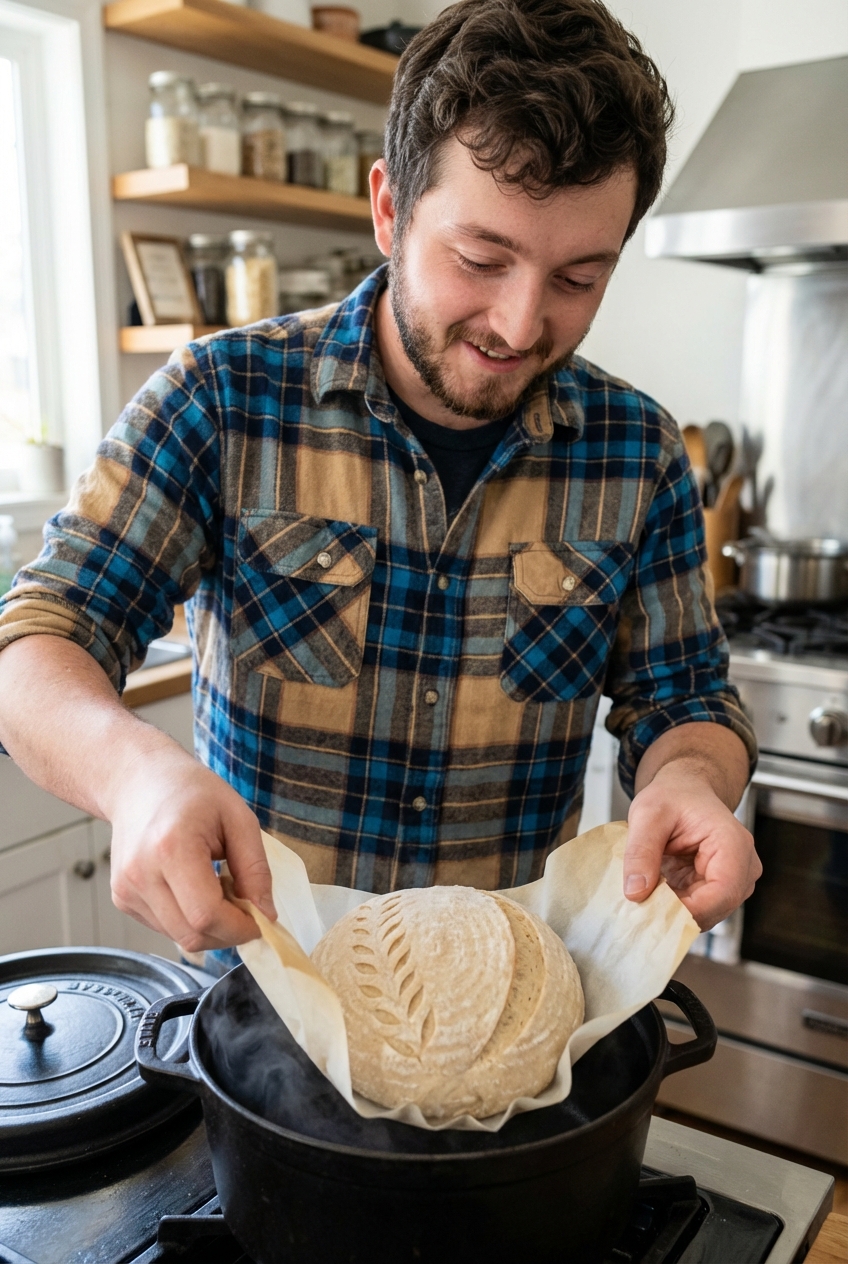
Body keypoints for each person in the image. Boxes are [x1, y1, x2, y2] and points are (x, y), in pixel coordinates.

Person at [0, 0, 759, 969]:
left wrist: (690, 779)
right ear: (388, 207)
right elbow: (38, 639)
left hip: (507, 1012)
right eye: (480, 259)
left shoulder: (635, 450)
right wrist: (136, 773)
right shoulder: (222, 400)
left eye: (577, 277)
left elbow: (683, 696)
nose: (520, 324)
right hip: (269, 1004)